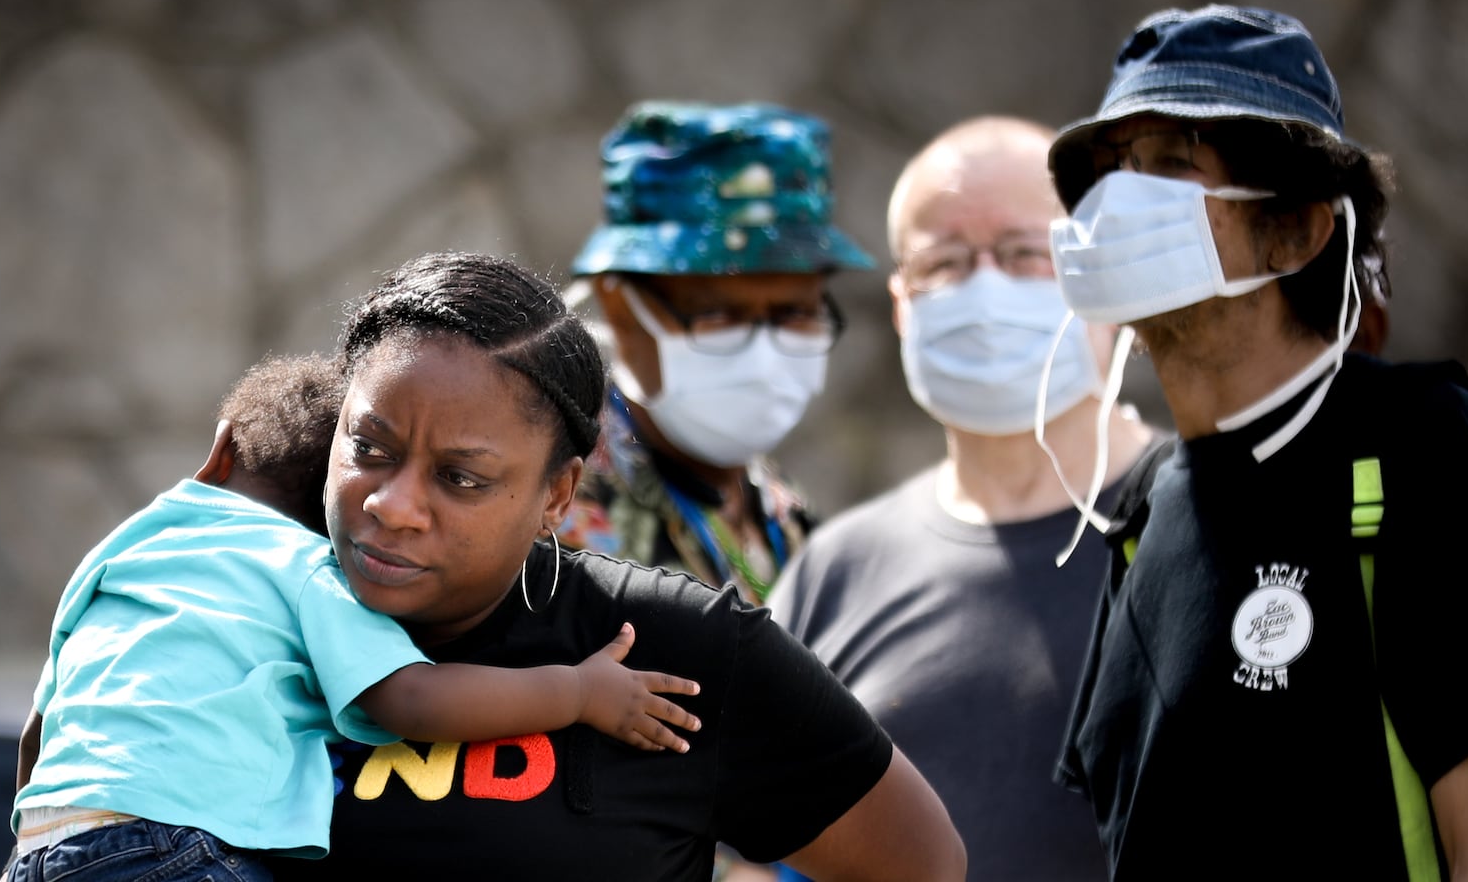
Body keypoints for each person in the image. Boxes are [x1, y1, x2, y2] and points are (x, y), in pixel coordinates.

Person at [1047, 4, 1468, 878]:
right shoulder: (1137, 506)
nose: (1120, 203)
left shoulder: (1412, 443)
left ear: (1296, 229)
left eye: (1171, 164)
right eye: (1113, 170)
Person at [268, 250, 965, 881]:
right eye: (369, 449)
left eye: (461, 478)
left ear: (557, 495)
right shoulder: (242, 607)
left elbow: (921, 866)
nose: (394, 506)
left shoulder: (675, 652)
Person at [8, 352, 702, 882]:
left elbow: (39, 728)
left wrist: (45, 837)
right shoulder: (307, 568)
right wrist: (577, 693)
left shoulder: (126, 549)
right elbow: (412, 701)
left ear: (221, 450)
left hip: (42, 841)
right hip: (177, 847)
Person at [767, 116, 1156, 882]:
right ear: (902, 304)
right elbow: (754, 854)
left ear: (1102, 276)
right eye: (942, 263)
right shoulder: (835, 573)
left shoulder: (1213, 523)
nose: (984, 287)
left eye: (1022, 253)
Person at [557, 100, 875, 606]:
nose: (765, 355)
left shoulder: (786, 515)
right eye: (719, 315)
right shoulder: (555, 513)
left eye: (794, 313)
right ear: (621, 306)